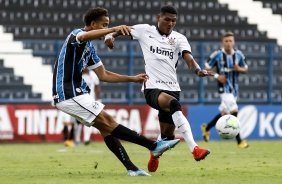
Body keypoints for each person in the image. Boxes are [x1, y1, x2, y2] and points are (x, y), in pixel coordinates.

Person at [52, 7, 180, 176]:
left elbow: (104, 75)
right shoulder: (76, 35)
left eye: (108, 26)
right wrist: (114, 30)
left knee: (106, 128)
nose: (106, 29)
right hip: (67, 93)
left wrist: (132, 78)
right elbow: (83, 36)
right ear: (93, 24)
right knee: (109, 121)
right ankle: (153, 146)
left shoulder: (90, 48)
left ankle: (132, 169)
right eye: (104, 25)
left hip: (77, 93)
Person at [104, 5, 212, 172]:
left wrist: (198, 71)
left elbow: (189, 60)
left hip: (173, 88)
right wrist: (110, 37)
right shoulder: (145, 30)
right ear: (158, 18)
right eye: (167, 19)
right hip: (152, 87)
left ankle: (154, 154)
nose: (170, 23)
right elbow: (120, 30)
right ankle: (195, 149)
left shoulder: (179, 38)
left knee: (168, 137)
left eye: (173, 21)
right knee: (175, 104)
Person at [200, 32, 249, 148]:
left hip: (234, 88)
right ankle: (239, 140)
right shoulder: (217, 55)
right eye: (226, 41)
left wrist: (239, 69)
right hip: (224, 89)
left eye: (231, 41)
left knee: (224, 114)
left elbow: (246, 69)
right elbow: (206, 68)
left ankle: (206, 128)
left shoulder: (239, 55)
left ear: (234, 42)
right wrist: (218, 76)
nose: (228, 43)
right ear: (222, 42)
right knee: (234, 110)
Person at [75, 68, 101, 146]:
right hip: (80, 100)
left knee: (89, 120)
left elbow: (97, 87)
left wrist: (99, 99)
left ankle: (86, 139)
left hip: (90, 101)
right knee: (78, 121)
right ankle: (77, 139)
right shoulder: (78, 74)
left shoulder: (93, 75)